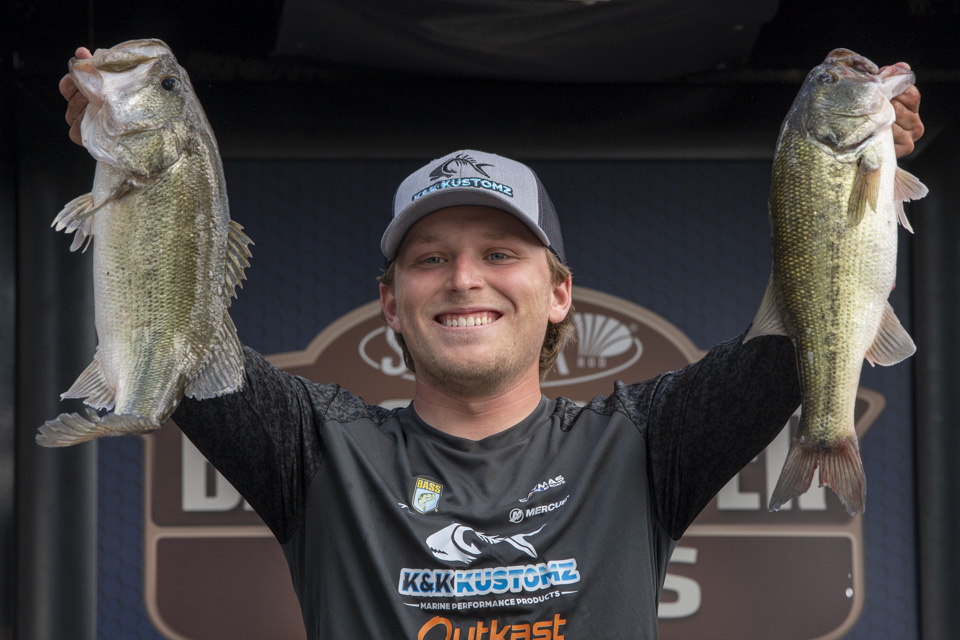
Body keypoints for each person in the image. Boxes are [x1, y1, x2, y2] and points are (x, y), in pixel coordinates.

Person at [60, 47, 924, 639]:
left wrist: (854, 173)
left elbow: (803, 329)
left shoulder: (646, 442)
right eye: (430, 258)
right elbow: (178, 330)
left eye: (501, 254)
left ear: (559, 294)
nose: (464, 279)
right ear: (391, 304)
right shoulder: (313, 447)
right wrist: (137, 162)